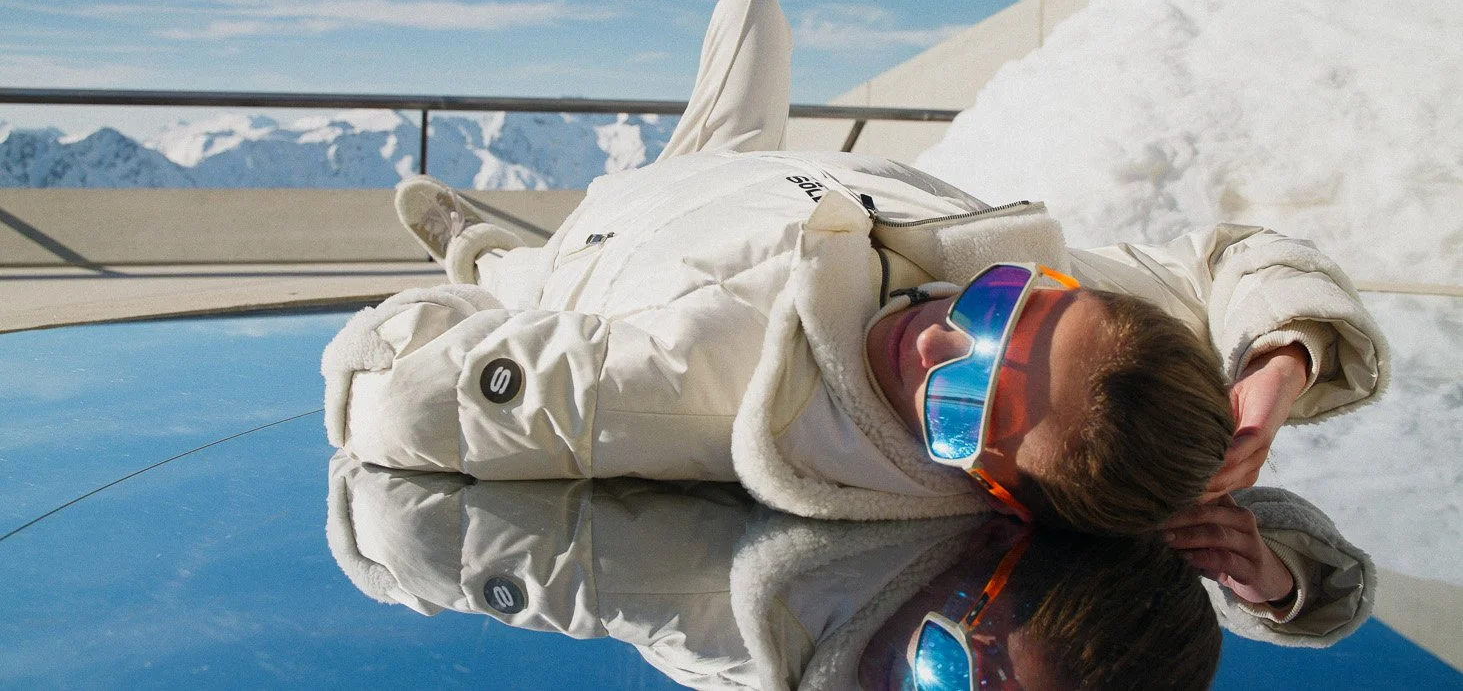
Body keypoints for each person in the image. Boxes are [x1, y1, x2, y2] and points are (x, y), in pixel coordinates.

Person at [322, 0, 1388, 539]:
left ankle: (488, 243)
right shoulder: (1080, 333)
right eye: (1003, 301)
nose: (939, 334)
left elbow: (396, 409)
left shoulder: (693, 390)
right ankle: (499, 241)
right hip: (749, 165)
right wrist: (1280, 360)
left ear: (998, 497)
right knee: (752, 8)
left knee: (516, 275)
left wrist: (442, 316)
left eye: (965, 399)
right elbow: (1230, 258)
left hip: (617, 237)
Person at [326, 467, 1377, 679]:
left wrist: (397, 554)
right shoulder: (970, 470)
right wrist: (1278, 579)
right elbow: (1329, 586)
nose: (940, 647)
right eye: (971, 632)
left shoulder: (762, 639)